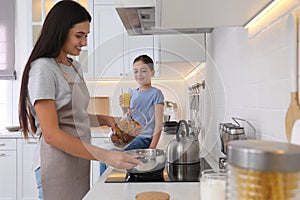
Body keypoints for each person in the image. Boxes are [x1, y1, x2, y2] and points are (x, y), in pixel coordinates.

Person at [18, 1, 141, 200]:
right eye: (79, 35)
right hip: (56, 164)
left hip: (78, 161)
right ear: (59, 31)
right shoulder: (43, 69)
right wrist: (105, 155)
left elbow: (73, 116)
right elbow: (51, 134)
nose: (84, 42)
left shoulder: (73, 67)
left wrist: (105, 119)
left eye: (86, 36)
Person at [99, 54, 164, 175]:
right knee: (105, 157)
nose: (139, 74)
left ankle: (100, 190)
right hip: (130, 136)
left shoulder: (156, 93)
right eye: (136, 71)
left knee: (106, 157)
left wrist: (152, 148)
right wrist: (124, 108)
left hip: (143, 139)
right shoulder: (132, 92)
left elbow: (159, 123)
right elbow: (129, 119)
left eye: (144, 70)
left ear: (152, 72)